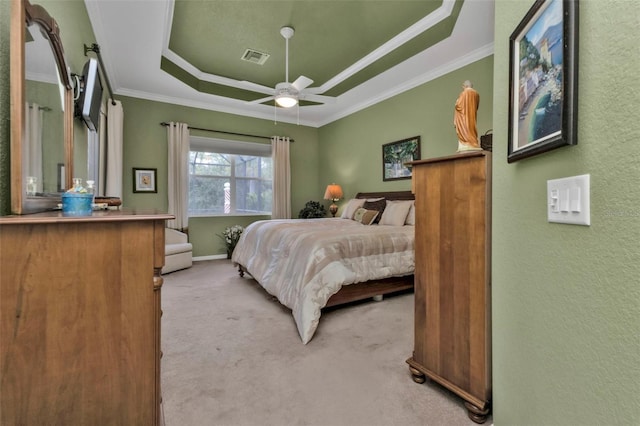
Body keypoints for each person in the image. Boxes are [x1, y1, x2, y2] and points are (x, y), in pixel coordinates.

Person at [454, 80, 482, 152]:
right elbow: (477, 106)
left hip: (464, 117)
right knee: (472, 128)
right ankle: (473, 142)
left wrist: (457, 102)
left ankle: (466, 142)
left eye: (463, 86)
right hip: (472, 116)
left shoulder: (464, 93)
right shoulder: (476, 94)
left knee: (465, 129)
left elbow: (458, 106)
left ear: (465, 86)